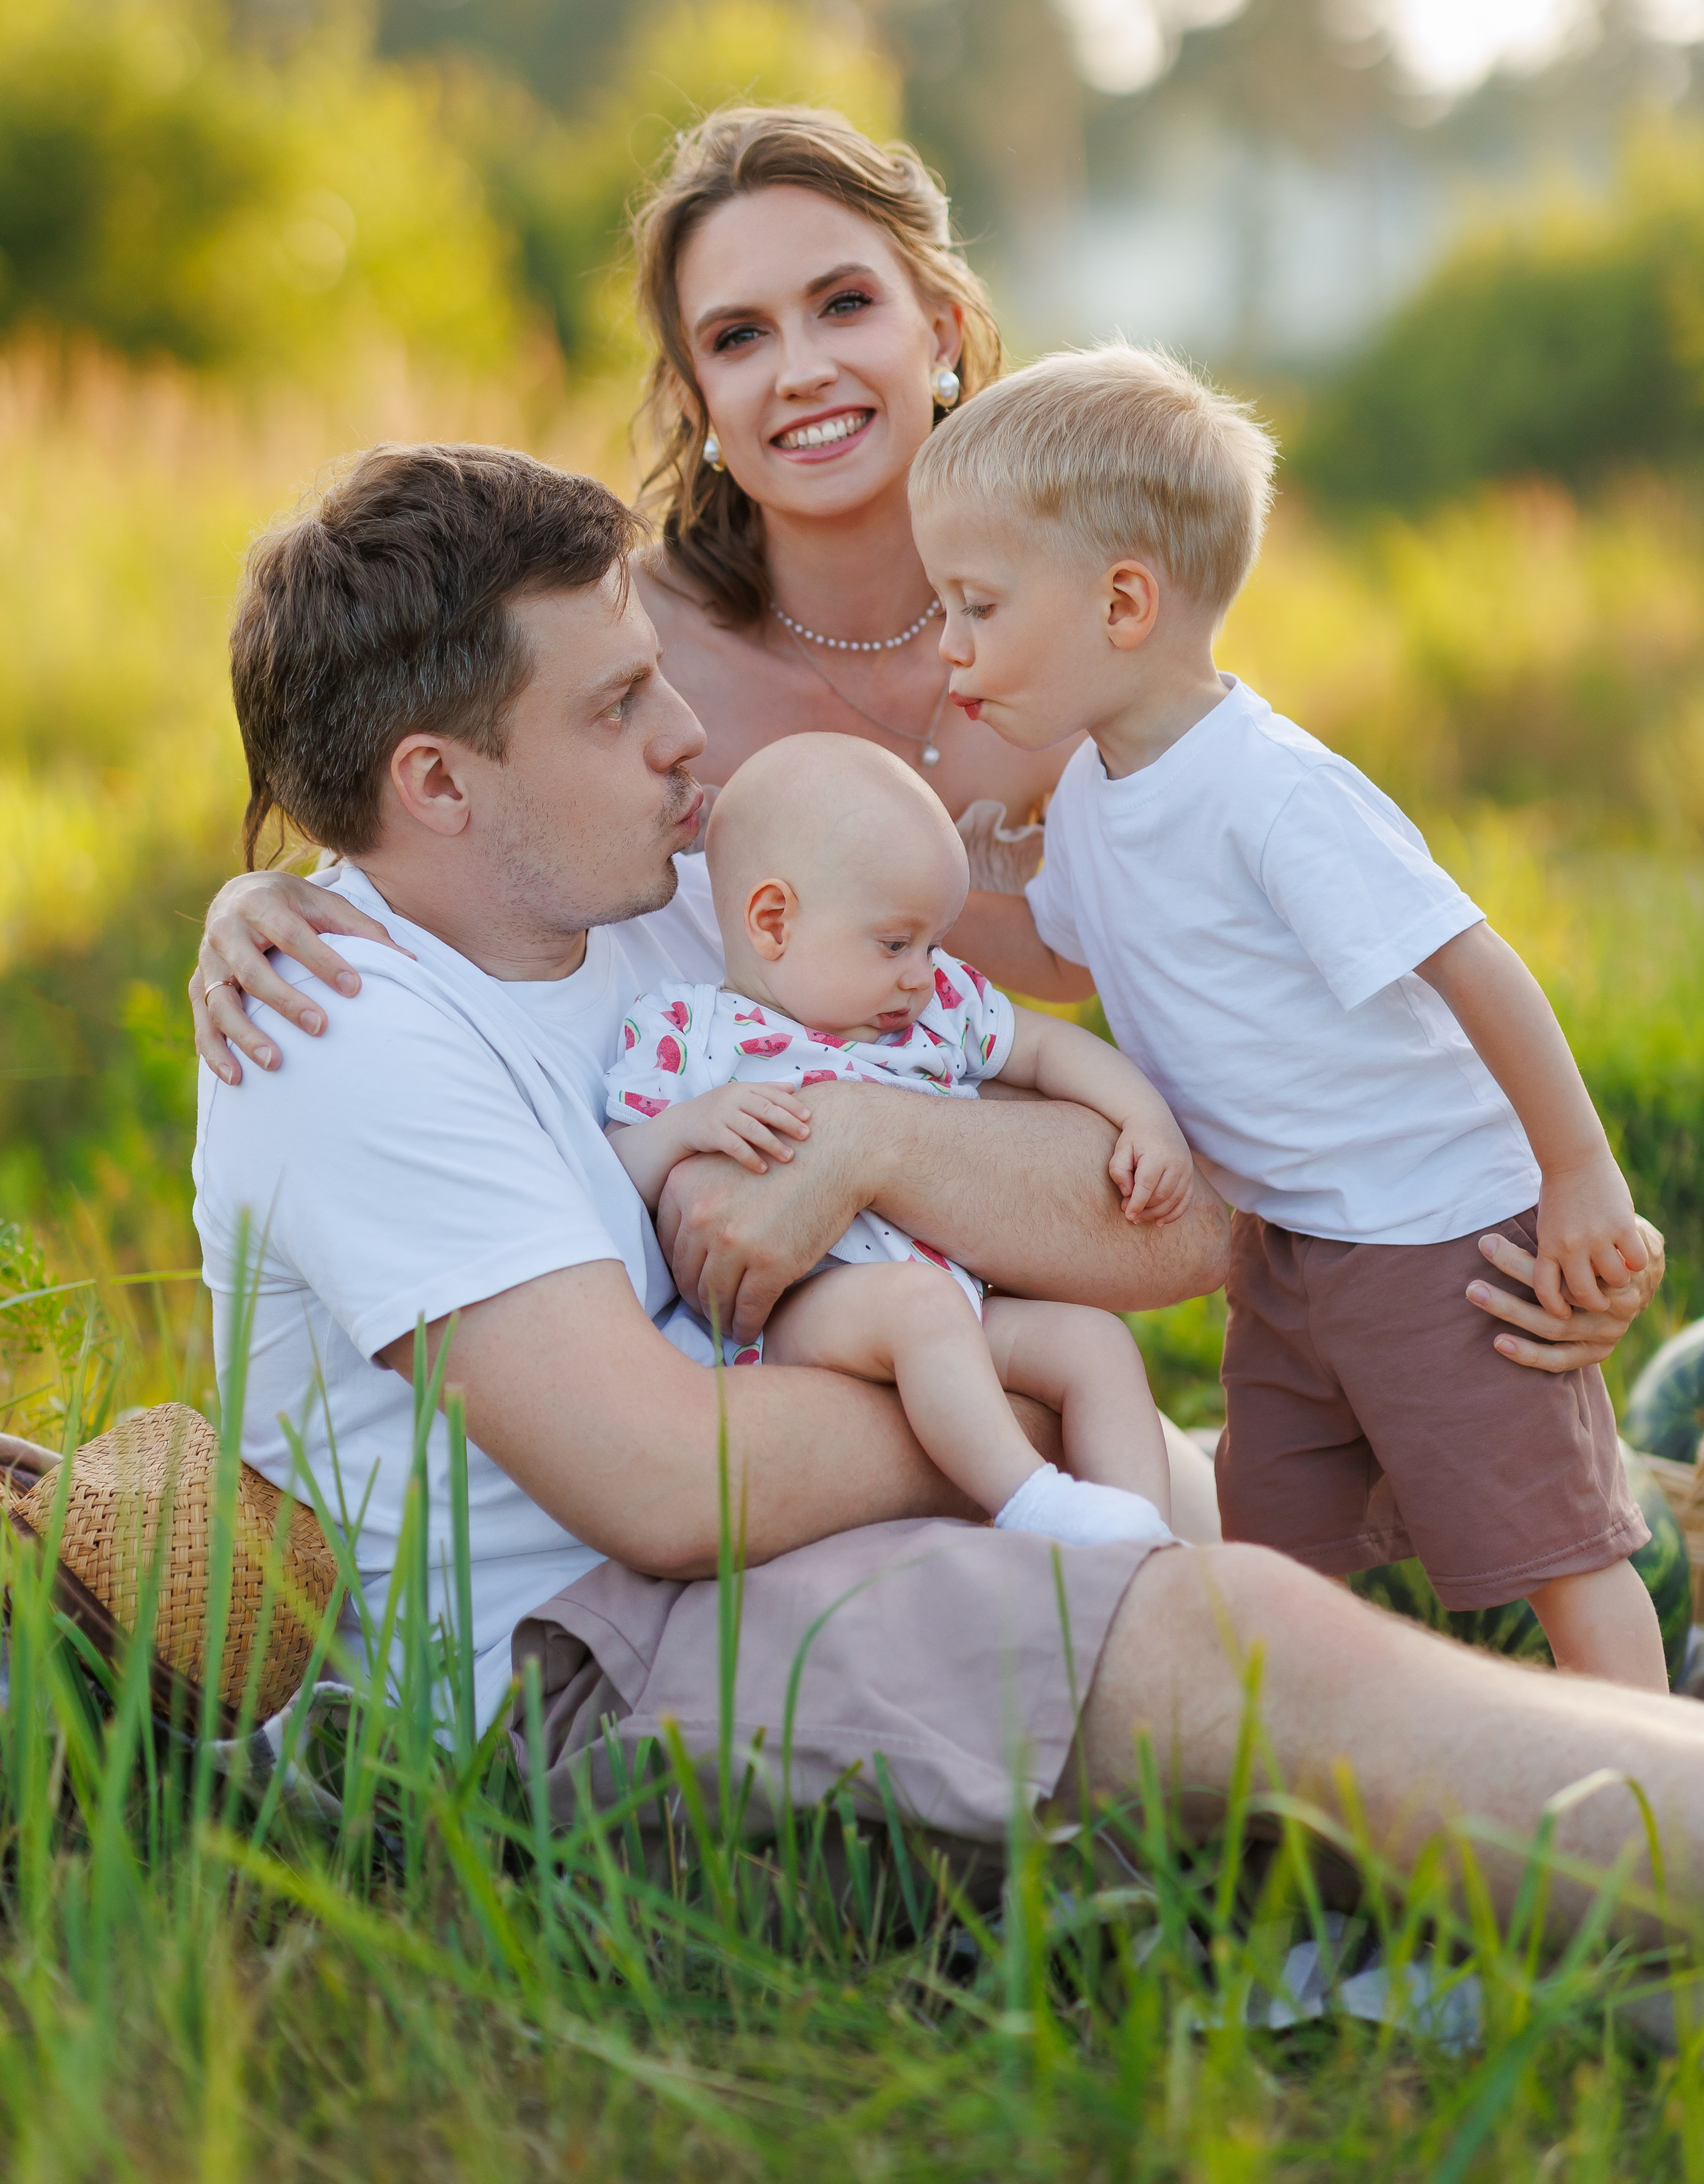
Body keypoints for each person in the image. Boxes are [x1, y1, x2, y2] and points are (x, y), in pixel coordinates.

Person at [193, 435, 1704, 1943]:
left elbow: (1175, 1217)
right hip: (600, 1681)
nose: (682, 736)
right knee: (1244, 1632)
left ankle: (1615, 1694)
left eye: (658, 673)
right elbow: (663, 1480)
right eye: (613, 704)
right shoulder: (336, 1027)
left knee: (1316, 1518)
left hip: (815, 1535)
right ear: (437, 784)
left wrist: (874, 1142)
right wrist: (1010, 1412)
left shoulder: (674, 899)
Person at [186, 105, 1633, 1534]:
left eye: (842, 304)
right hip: (837, 1271)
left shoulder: (1084, 601)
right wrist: (257, 902)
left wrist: (1531, 1181)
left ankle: (1619, 1500)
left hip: (1144, 1174)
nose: (800, 369)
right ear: (692, 391)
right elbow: (455, 831)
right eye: (737, 337)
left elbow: (1323, 899)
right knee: (1286, 1509)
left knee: (1489, 1484)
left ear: (941, 325)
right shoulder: (656, 659)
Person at [909, 344, 1667, 1693]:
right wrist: (932, 889)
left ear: (1123, 601)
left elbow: (1471, 964)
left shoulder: (1268, 789)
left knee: (1552, 1544)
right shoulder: (1087, 793)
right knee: (1272, 1555)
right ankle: (1321, 1807)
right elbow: (1063, 955)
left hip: (1436, 1233)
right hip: (1290, 1254)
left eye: (972, 605)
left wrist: (1574, 1172)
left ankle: (1646, 1801)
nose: (948, 646)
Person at [604, 731, 1188, 1544]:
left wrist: (1144, 1118)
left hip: (955, 1302)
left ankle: (1145, 1542)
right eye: (893, 943)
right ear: (772, 921)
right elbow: (612, 1170)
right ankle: (1036, 1506)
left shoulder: (930, 1005)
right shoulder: (691, 1033)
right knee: (919, 1309)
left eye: (933, 944)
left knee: (1092, 1342)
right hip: (801, 1317)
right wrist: (687, 1126)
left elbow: (1049, 1047)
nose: (922, 972)